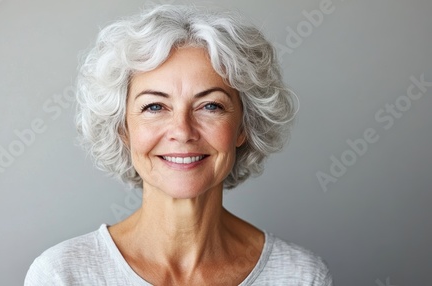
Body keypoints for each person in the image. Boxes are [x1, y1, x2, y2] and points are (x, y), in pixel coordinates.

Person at [25, 4, 333, 285]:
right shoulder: (62, 275)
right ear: (123, 128)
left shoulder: (301, 276)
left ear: (243, 126)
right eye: (155, 107)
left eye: (210, 106)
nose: (182, 131)